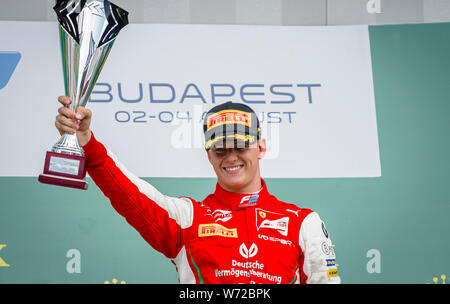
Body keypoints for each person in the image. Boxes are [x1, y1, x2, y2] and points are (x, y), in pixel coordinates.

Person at [55, 97, 341, 284]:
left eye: (240, 146)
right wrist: (86, 142)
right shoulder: (188, 217)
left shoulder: (303, 222)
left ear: (261, 147)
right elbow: (129, 193)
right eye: (220, 149)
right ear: (208, 154)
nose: (231, 157)